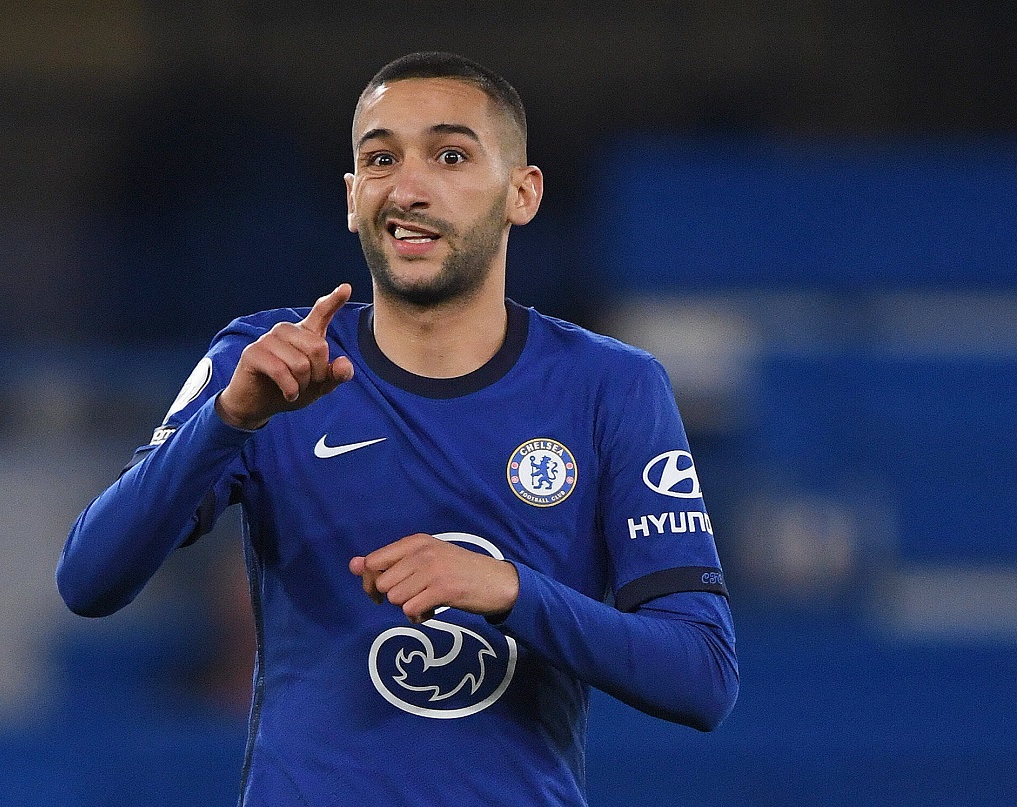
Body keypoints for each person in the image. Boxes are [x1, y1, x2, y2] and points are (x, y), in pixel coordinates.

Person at [57, 51, 738, 806]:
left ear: (523, 192)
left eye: (450, 155)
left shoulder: (610, 385)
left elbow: (702, 674)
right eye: (381, 159)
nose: (409, 188)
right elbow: (88, 580)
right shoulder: (271, 362)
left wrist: (511, 589)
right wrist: (225, 422)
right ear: (353, 198)